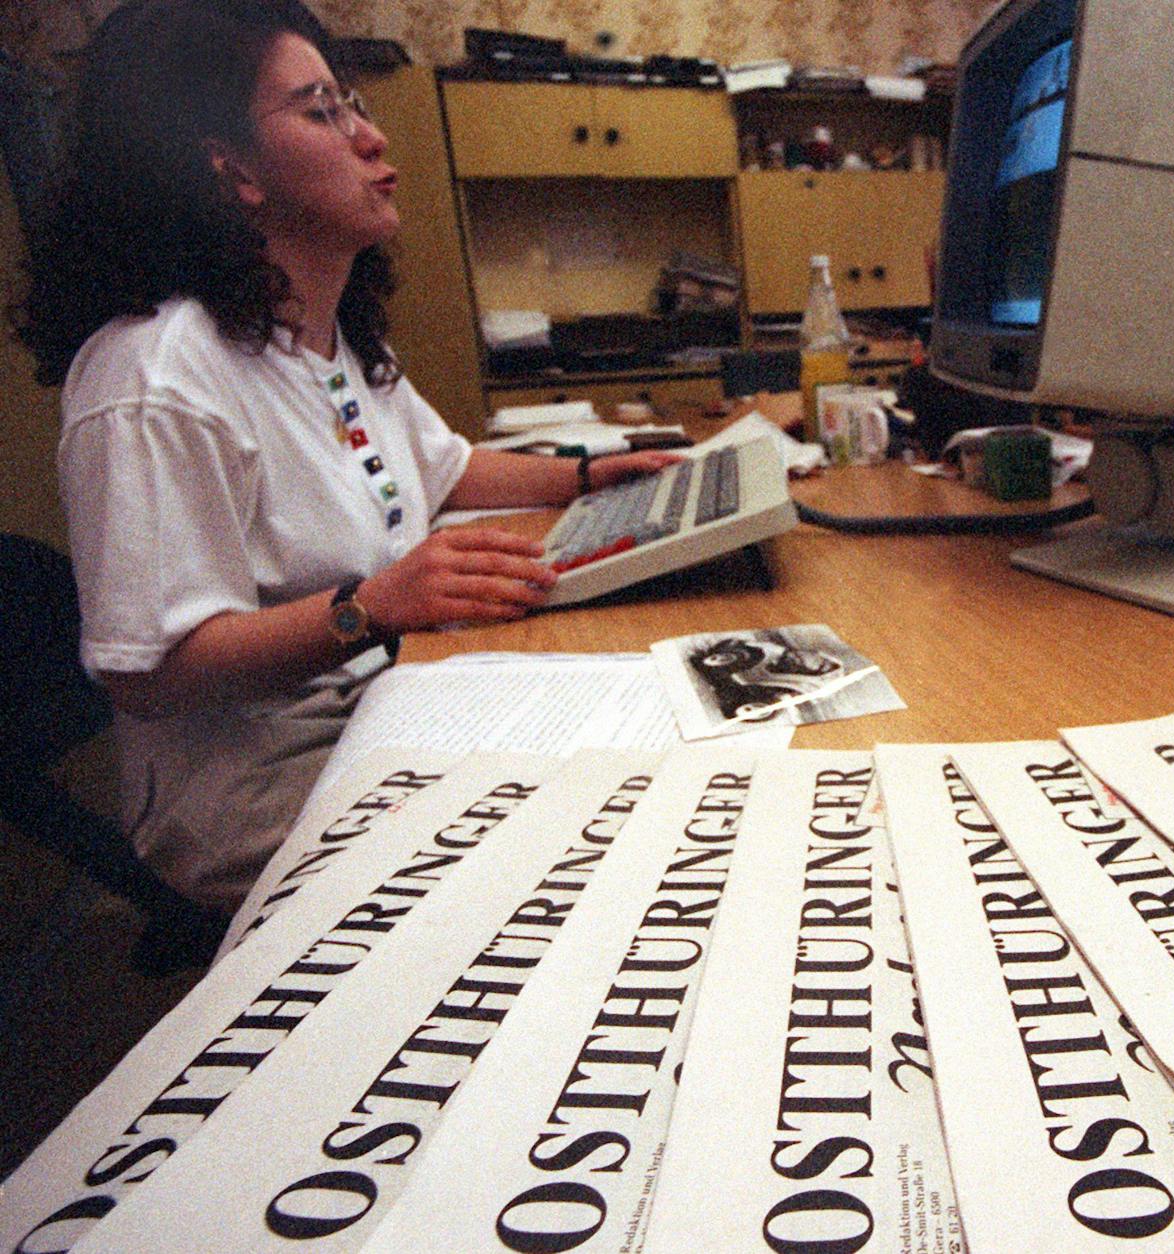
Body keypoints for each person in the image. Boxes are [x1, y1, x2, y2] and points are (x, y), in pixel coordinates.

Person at [13, 0, 683, 914]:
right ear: (233, 170)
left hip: (382, 706)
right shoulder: (155, 374)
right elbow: (148, 666)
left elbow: (446, 470)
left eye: (354, 103)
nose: (371, 137)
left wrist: (589, 474)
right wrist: (369, 608)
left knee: (656, 725)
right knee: (628, 835)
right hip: (259, 792)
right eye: (323, 111)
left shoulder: (317, 335)